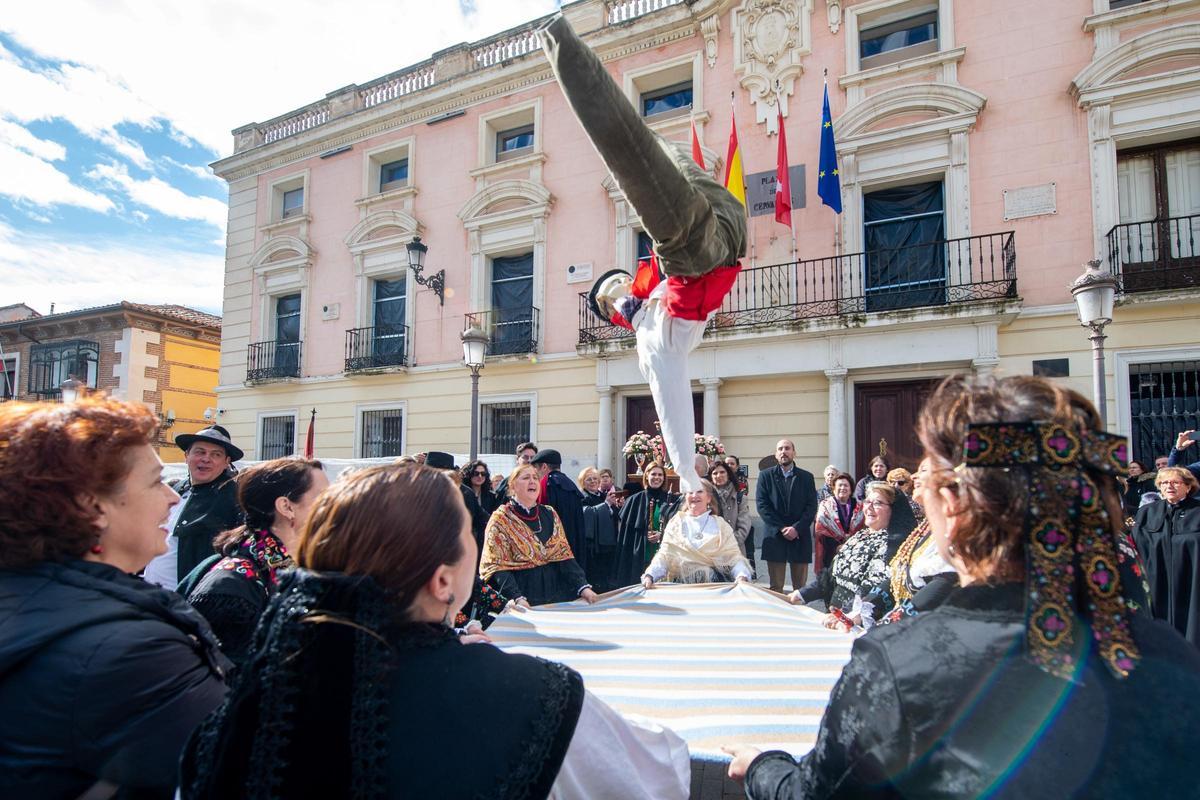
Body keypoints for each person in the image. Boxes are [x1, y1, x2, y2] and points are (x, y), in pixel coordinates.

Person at [727, 375, 1200, 798]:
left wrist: (762, 767)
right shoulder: (1169, 654)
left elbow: (817, 793)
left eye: (927, 481)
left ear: (953, 506)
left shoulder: (901, 663)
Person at [180, 464, 691, 800]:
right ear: (442, 580)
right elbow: (649, 774)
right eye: (467, 532)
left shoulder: (267, 684)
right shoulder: (529, 692)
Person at [543, 15, 745, 494]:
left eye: (614, 285)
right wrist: (686, 470)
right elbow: (670, 399)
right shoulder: (651, 340)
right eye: (610, 295)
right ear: (613, 313)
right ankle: (560, 42)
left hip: (726, 220)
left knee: (654, 146)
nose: (616, 290)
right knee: (630, 155)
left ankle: (567, 50)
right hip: (699, 258)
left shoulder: (647, 292)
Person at [0, 398, 229, 800]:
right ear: (94, 507)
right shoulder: (137, 650)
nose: (171, 497)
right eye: (155, 482)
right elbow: (242, 766)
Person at [181, 457, 329, 669]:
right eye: (325, 499)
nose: (334, 508)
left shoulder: (301, 568)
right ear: (286, 507)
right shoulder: (231, 586)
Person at [789, 483, 916, 626]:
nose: (869, 507)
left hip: (860, 624)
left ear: (893, 510)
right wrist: (801, 595)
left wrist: (845, 615)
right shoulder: (859, 536)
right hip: (834, 620)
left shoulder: (895, 545)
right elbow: (831, 577)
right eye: (867, 501)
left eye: (878, 503)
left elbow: (874, 590)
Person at [480, 464, 598, 607]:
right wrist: (517, 597)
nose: (532, 481)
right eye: (526, 478)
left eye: (535, 478)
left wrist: (583, 587)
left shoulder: (549, 513)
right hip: (522, 594)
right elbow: (497, 566)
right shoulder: (501, 519)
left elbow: (563, 555)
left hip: (554, 593)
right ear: (513, 486)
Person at [143, 425, 243, 588]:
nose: (206, 459)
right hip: (150, 592)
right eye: (200, 452)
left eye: (216, 454)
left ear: (227, 462)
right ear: (186, 456)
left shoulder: (236, 498)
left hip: (189, 597)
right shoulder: (174, 490)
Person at [866, 459, 957, 626]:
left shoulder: (955, 532)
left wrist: (886, 627)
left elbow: (938, 588)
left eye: (923, 470)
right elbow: (897, 578)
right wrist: (864, 608)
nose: (914, 476)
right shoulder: (924, 528)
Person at [1133, 465, 1200, 645]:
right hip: (1157, 580)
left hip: (1191, 581)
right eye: (1164, 483)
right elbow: (1137, 545)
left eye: (1175, 482)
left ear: (1188, 486)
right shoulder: (1146, 512)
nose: (1169, 486)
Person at [642, 481, 752, 586]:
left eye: (699, 491)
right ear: (685, 497)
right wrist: (650, 575)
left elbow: (734, 558)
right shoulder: (675, 523)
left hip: (714, 588)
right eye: (690, 492)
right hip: (682, 588)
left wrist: (742, 576)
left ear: (708, 498)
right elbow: (664, 556)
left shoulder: (720, 525)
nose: (694, 495)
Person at [756, 439, 818, 593]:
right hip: (775, 536)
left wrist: (796, 528)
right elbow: (762, 506)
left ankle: (798, 609)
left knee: (800, 589)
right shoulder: (765, 476)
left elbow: (811, 507)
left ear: (794, 453)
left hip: (799, 536)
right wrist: (782, 528)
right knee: (776, 587)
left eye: (787, 448)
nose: (783, 451)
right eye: (780, 449)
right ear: (776, 454)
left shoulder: (807, 477)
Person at [614, 462, 679, 588]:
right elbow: (627, 533)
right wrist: (644, 535)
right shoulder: (634, 500)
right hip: (639, 556)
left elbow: (678, 529)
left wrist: (661, 535)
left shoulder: (672, 500)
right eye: (653, 474)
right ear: (646, 476)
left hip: (664, 555)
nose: (657, 477)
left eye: (660, 475)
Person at [532, 448, 588, 574]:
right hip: (573, 542)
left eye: (536, 469)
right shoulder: (571, 485)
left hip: (555, 548)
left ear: (544, 466)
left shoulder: (546, 484)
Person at [812, 472, 863, 575]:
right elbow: (821, 531)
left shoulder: (859, 507)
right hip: (830, 552)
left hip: (854, 553)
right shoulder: (825, 506)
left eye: (846, 485)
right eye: (840, 485)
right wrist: (837, 547)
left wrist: (849, 545)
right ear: (834, 488)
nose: (842, 488)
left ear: (851, 489)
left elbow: (863, 530)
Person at [583, 484, 624, 593]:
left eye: (595, 479)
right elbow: (587, 513)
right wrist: (606, 505)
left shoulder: (603, 496)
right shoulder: (583, 497)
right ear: (583, 482)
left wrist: (619, 506)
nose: (592, 482)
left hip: (609, 541)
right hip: (594, 544)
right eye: (589, 479)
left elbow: (614, 514)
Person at [708, 460, 752, 560]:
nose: (719, 475)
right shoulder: (707, 498)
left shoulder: (740, 498)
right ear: (711, 477)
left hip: (735, 550)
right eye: (715, 473)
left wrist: (728, 543)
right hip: (712, 552)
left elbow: (744, 527)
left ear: (728, 474)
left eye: (722, 472)